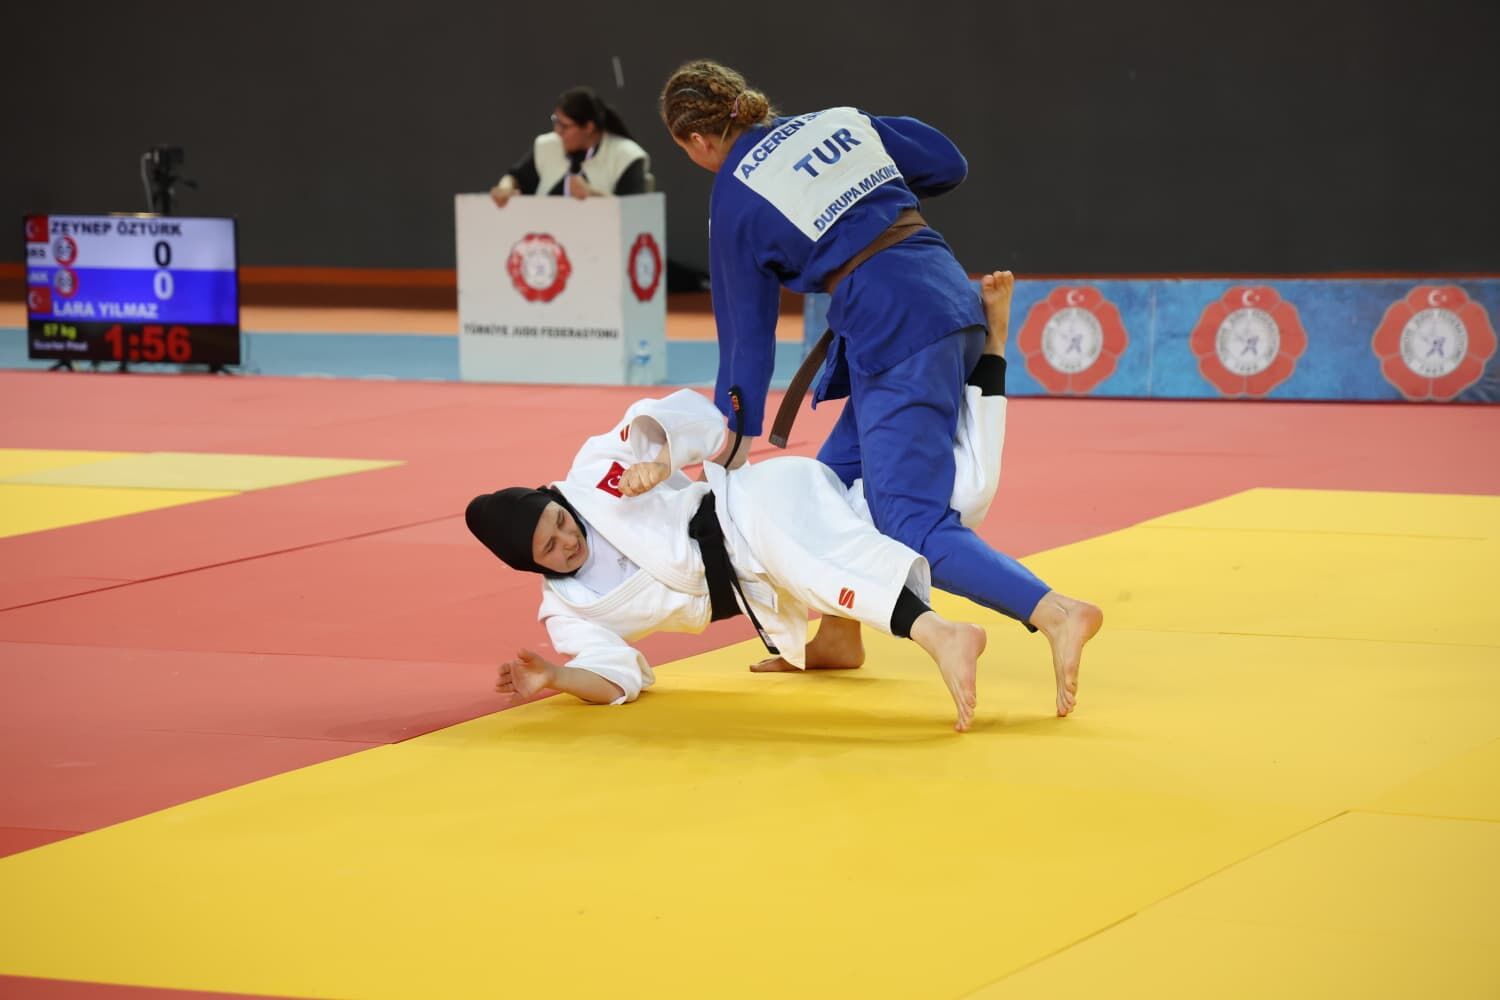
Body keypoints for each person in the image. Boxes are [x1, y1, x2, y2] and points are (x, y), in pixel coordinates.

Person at [658, 61, 1101, 717]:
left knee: (911, 523)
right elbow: (946, 163)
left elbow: (746, 332)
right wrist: (859, 196)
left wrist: (735, 434)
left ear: (695, 140)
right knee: (825, 489)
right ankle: (839, 636)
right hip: (943, 294)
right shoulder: (836, 123)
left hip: (898, 329)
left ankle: (1054, 610)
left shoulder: (735, 193)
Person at [491, 86, 650, 207]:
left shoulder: (626, 156)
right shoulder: (547, 146)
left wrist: (593, 194)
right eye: (555, 121)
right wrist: (505, 187)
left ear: (588, 127)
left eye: (564, 126)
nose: (557, 131)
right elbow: (515, 178)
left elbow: (635, 210)